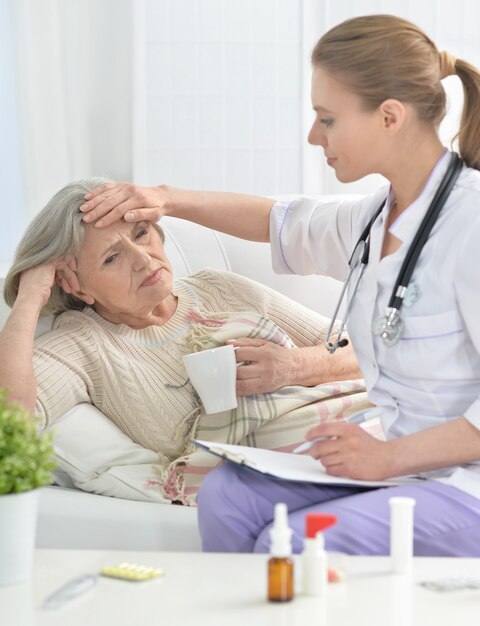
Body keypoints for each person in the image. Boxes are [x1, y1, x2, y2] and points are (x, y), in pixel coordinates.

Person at [77, 13, 480, 556]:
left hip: (463, 481)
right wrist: (166, 199)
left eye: (328, 119)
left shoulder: (471, 224)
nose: (314, 137)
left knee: (288, 545)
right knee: (228, 495)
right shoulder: (374, 218)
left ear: (389, 117)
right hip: (401, 453)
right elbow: (279, 222)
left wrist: (386, 459)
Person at [0, 178, 367, 503]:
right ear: (74, 284)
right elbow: (10, 422)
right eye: (113, 257)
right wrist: (31, 297)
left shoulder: (217, 287)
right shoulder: (82, 345)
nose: (143, 259)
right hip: (305, 479)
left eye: (141, 233)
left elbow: (367, 352)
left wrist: (294, 367)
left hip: (368, 425)